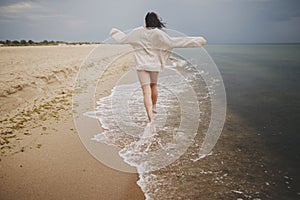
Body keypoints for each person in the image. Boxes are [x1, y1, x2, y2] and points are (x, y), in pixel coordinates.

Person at [110, 11, 206, 132]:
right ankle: (154, 106)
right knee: (153, 85)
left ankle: (151, 121)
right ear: (156, 22)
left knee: (146, 92)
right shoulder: (159, 34)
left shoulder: (137, 32)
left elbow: (122, 39)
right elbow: (174, 42)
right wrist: (197, 41)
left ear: (145, 21)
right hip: (154, 66)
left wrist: (114, 32)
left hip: (142, 66)